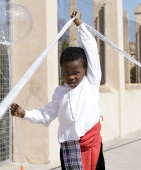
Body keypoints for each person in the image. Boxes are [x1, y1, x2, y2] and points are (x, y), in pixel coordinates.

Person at [11, 10, 105, 170]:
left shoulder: (91, 81)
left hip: (92, 145)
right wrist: (24, 113)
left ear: (85, 70)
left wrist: (79, 25)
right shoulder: (59, 93)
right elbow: (46, 115)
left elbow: (91, 47)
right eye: (66, 72)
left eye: (76, 72)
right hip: (69, 149)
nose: (71, 77)